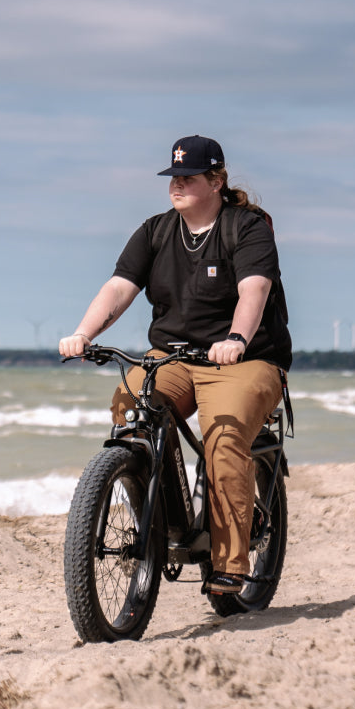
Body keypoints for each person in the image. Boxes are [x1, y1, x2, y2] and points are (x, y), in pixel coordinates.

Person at [59, 134, 292, 596]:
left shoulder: (246, 227)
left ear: (217, 181)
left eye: (188, 177)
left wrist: (236, 338)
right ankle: (157, 517)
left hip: (244, 359)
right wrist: (84, 333)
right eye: (173, 177)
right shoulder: (156, 231)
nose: (177, 184)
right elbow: (119, 287)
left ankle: (230, 563)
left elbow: (255, 289)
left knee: (222, 436)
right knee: (131, 408)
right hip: (174, 355)